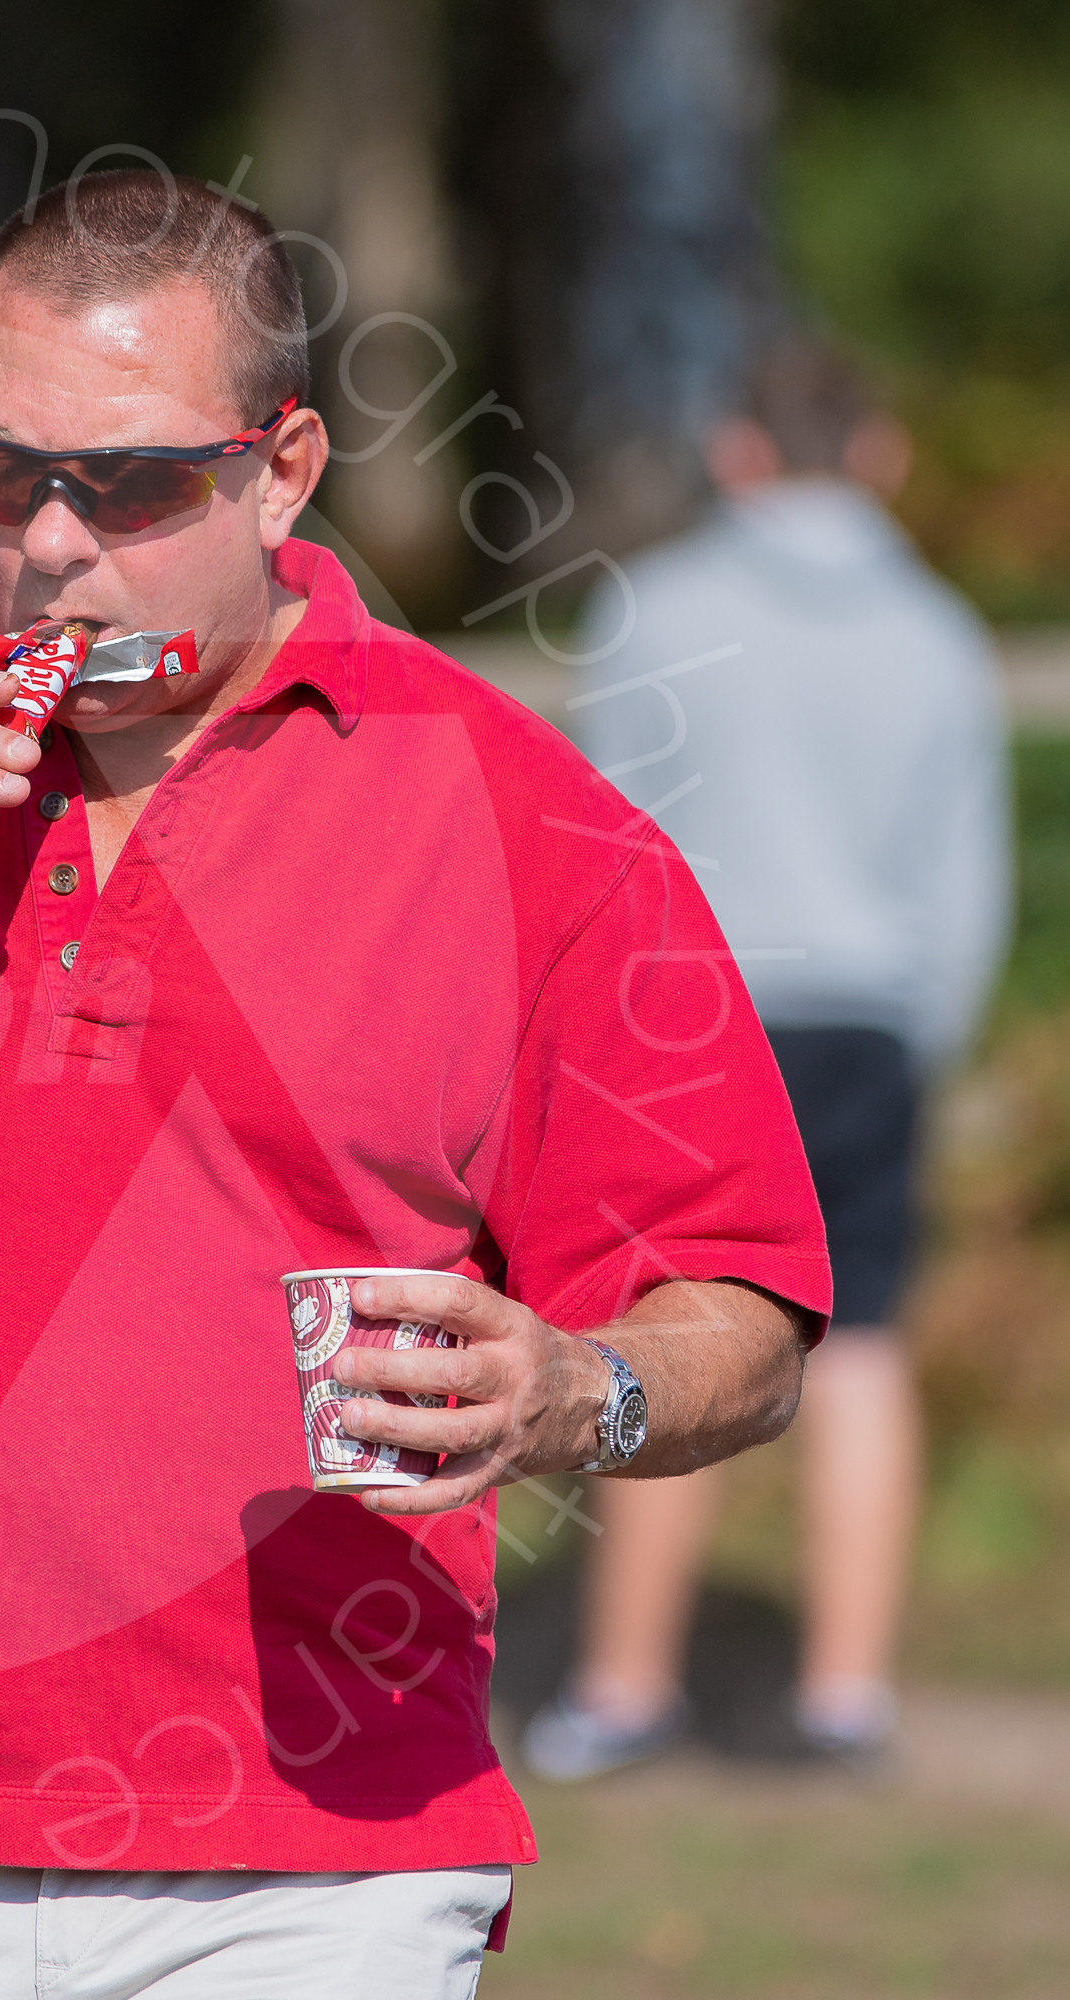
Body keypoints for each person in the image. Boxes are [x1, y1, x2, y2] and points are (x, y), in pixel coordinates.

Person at [0, 169, 832, 1998]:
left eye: (127, 484)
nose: (52, 544)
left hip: (322, 1865)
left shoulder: (533, 823)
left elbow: (743, 1304)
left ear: (280, 471)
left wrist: (573, 1392)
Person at [526, 344, 1012, 1778]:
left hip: (690, 1019)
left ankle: (620, 1690)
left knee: (663, 1331)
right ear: (881, 455)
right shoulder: (938, 634)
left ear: (739, 453)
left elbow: (597, 837)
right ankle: (845, 1694)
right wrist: (923, 1031)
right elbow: (964, 880)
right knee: (860, 1348)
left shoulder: (652, 611)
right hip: (870, 1021)